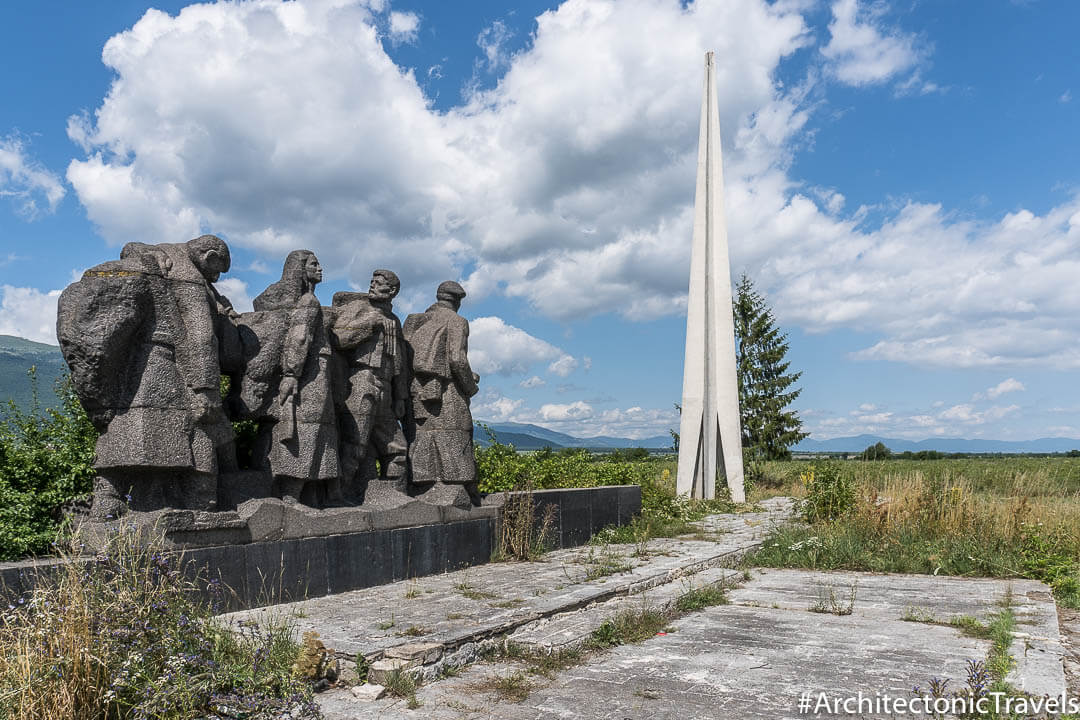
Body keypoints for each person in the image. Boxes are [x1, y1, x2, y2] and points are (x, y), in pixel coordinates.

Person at [57, 234, 240, 518]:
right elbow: (202, 336)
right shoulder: (188, 277)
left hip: (136, 366)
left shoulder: (157, 258)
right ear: (209, 257)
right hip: (170, 365)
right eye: (217, 271)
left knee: (128, 428)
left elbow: (129, 247)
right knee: (195, 431)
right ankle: (199, 505)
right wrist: (206, 388)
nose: (216, 279)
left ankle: (110, 497)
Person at [245, 250, 341, 505]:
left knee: (312, 431)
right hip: (311, 373)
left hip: (311, 371)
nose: (320, 268)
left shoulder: (308, 299)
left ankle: (307, 494)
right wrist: (291, 374)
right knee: (303, 431)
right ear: (299, 269)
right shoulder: (308, 301)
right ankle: (291, 495)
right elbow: (299, 338)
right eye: (313, 264)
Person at [329, 269, 410, 507]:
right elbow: (339, 339)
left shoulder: (395, 321)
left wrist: (400, 397)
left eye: (379, 283)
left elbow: (401, 364)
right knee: (355, 445)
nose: (372, 286)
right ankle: (337, 496)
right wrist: (369, 323)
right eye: (372, 282)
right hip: (360, 381)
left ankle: (395, 497)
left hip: (385, 388)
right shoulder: (358, 309)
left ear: (392, 291)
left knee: (398, 449)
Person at [403, 281, 481, 506]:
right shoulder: (457, 321)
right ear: (457, 301)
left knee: (421, 438)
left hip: (415, 390)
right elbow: (457, 359)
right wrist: (470, 386)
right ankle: (458, 490)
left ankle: (424, 486)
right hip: (447, 392)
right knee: (457, 433)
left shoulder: (414, 321)